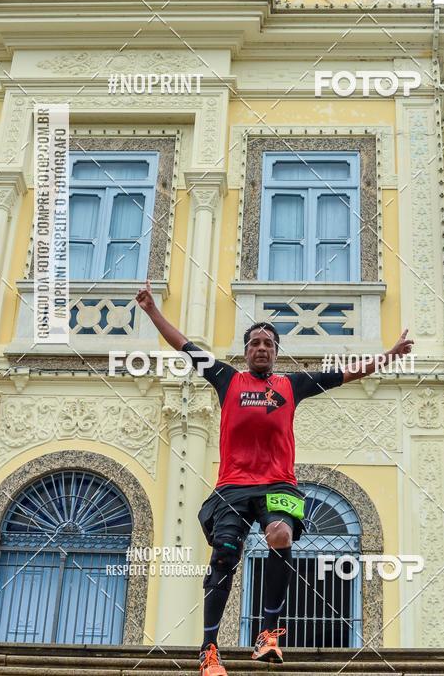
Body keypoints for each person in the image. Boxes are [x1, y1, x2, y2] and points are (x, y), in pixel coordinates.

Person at [135, 280, 413, 675]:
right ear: (246, 352)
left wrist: (388, 356)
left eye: (268, 343)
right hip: (233, 484)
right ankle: (209, 647)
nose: (261, 348)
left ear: (276, 352)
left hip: (278, 483)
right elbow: (183, 344)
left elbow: (345, 374)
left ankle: (267, 634)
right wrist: (151, 310)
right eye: (254, 343)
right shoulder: (227, 379)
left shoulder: (290, 384)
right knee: (225, 553)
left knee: (280, 534)